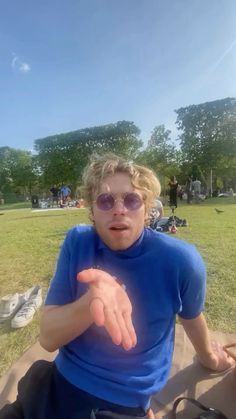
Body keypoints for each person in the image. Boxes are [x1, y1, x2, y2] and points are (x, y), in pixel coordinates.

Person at [1, 154, 234, 419]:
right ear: (92, 211)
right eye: (105, 200)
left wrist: (209, 357)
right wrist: (92, 302)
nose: (119, 209)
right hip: (55, 386)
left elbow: (191, 316)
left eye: (132, 200)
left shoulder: (181, 260)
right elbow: (48, 337)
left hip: (120, 403)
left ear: (147, 210)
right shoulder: (78, 242)